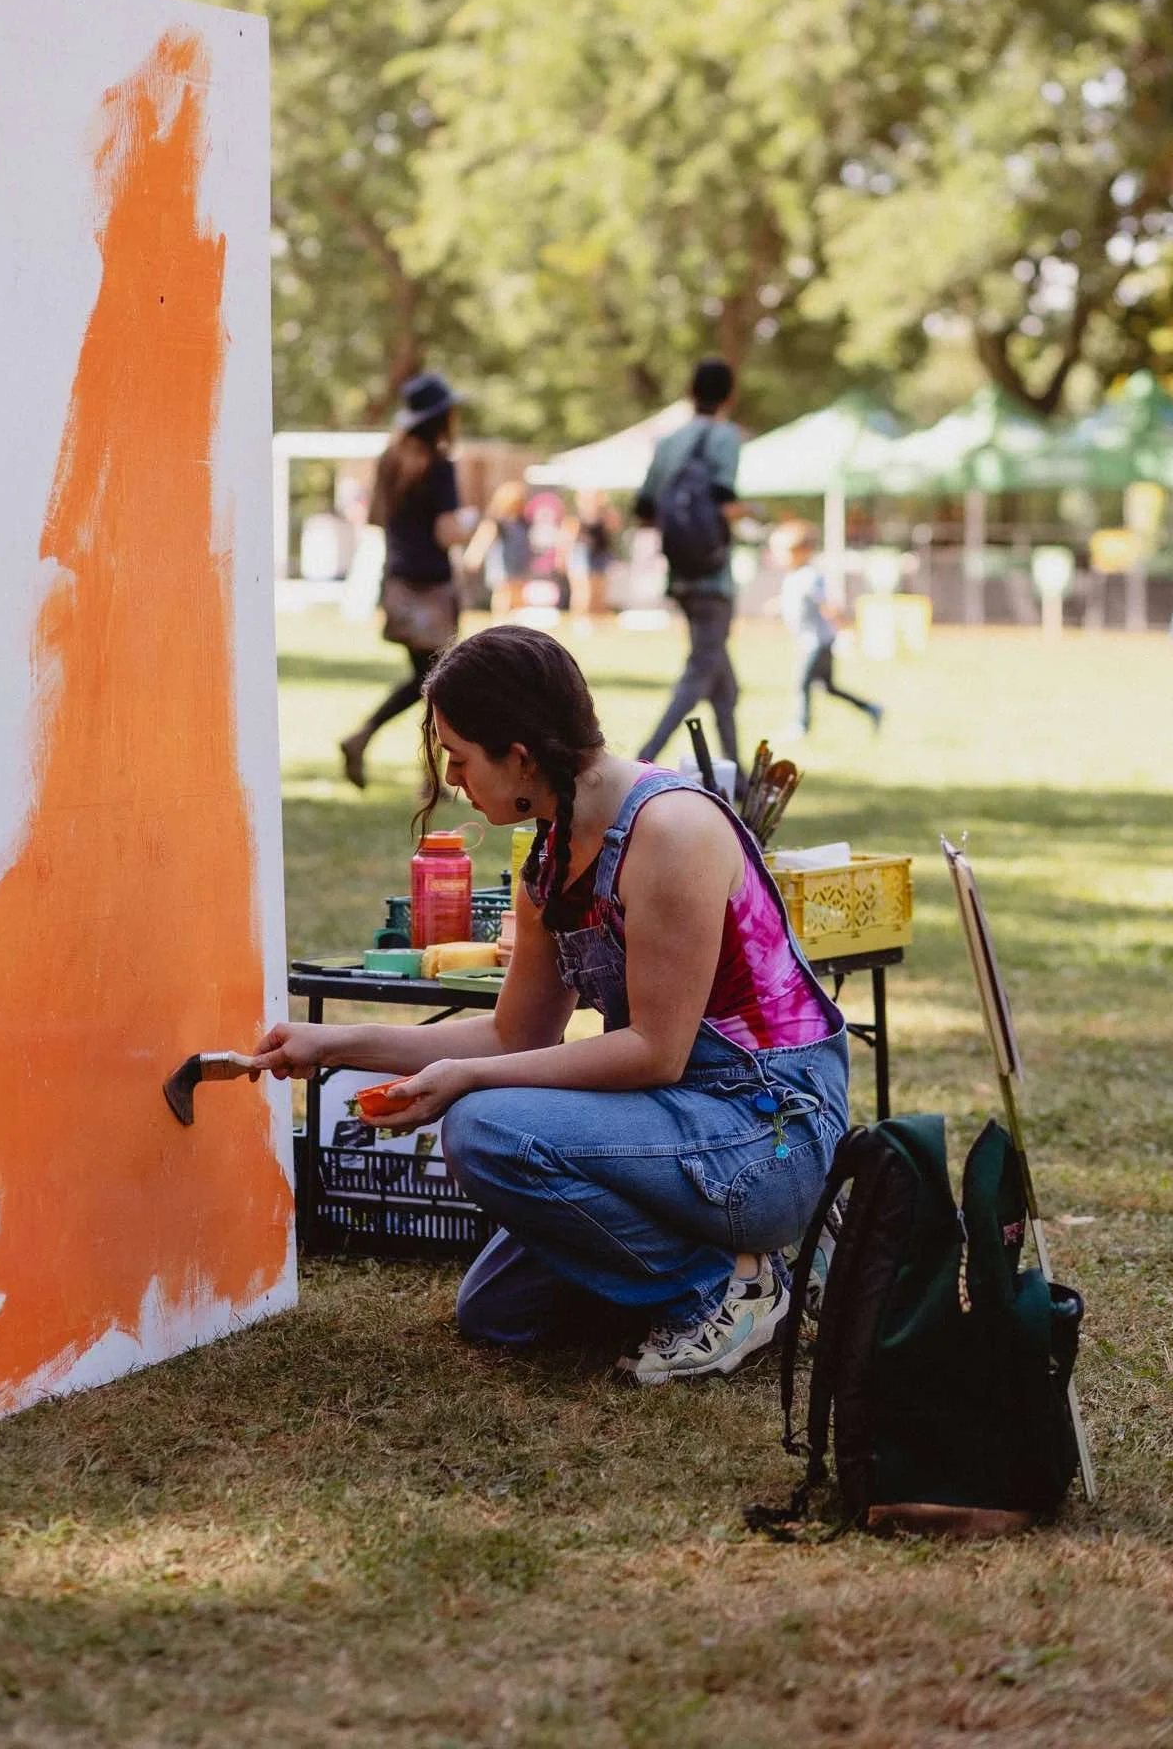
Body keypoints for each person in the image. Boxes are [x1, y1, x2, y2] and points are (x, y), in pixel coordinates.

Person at [258, 624, 850, 1384]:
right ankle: (774, 1261)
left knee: (483, 1128)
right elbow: (515, 1035)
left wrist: (468, 1083)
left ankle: (723, 1292)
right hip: (680, 1123)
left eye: (460, 758)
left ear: (520, 758)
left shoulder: (669, 832)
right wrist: (332, 1045)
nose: (453, 777)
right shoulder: (553, 850)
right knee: (500, 1312)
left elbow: (656, 1052)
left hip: (768, 1130)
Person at [338, 371, 474, 790]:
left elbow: (376, 518)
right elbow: (446, 532)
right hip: (431, 587)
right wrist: (471, 526)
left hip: (397, 581)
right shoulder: (439, 467)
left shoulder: (390, 463)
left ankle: (424, 773)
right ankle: (377, 744)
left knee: (429, 681)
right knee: (437, 683)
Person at [633, 356, 742, 779]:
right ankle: (644, 757)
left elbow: (644, 508)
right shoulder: (725, 438)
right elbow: (725, 501)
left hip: (679, 574)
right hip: (714, 576)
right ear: (729, 394)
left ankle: (741, 776)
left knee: (724, 685)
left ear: (690, 391)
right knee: (698, 674)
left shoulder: (669, 441)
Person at [774, 521, 883, 737]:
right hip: (808, 641)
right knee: (828, 687)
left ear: (803, 551)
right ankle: (871, 708)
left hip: (816, 642)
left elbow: (827, 607)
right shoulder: (794, 576)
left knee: (801, 683)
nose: (779, 557)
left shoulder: (809, 576)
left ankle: (800, 726)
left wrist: (846, 629)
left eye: (784, 551)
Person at [464, 480, 533, 618]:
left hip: (518, 564)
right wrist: (475, 555)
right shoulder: (496, 523)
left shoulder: (522, 523)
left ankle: (514, 625)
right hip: (502, 565)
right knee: (503, 595)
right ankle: (500, 621)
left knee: (518, 595)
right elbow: (483, 539)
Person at [564, 488, 620, 620]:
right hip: (581, 554)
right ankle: (580, 620)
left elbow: (615, 525)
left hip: (599, 555)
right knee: (583, 592)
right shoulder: (576, 516)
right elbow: (568, 537)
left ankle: (596, 621)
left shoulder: (603, 516)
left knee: (599, 592)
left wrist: (605, 508)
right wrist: (564, 557)